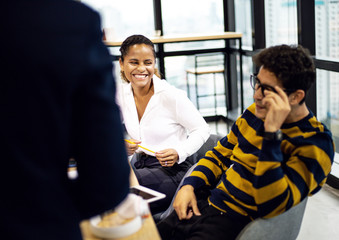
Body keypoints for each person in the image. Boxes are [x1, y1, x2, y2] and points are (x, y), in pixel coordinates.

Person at [157, 44, 335, 240]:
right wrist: (188, 186)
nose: (256, 94)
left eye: (267, 89)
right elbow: (219, 155)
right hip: (205, 202)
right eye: (257, 83)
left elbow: (272, 204)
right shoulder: (253, 113)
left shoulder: (315, 143)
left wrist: (272, 134)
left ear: (295, 96)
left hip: (234, 222)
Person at [1, 1, 130, 240]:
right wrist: (51, 206)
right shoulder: (70, 23)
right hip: (39, 224)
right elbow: (107, 183)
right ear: (122, 64)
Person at [116, 35, 210, 214]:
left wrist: (179, 152)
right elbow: (108, 126)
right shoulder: (122, 94)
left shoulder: (170, 95)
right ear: (122, 63)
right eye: (134, 62)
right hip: (139, 165)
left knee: (118, 196)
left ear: (154, 64)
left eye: (148, 62)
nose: (141, 68)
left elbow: (202, 129)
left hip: (172, 172)